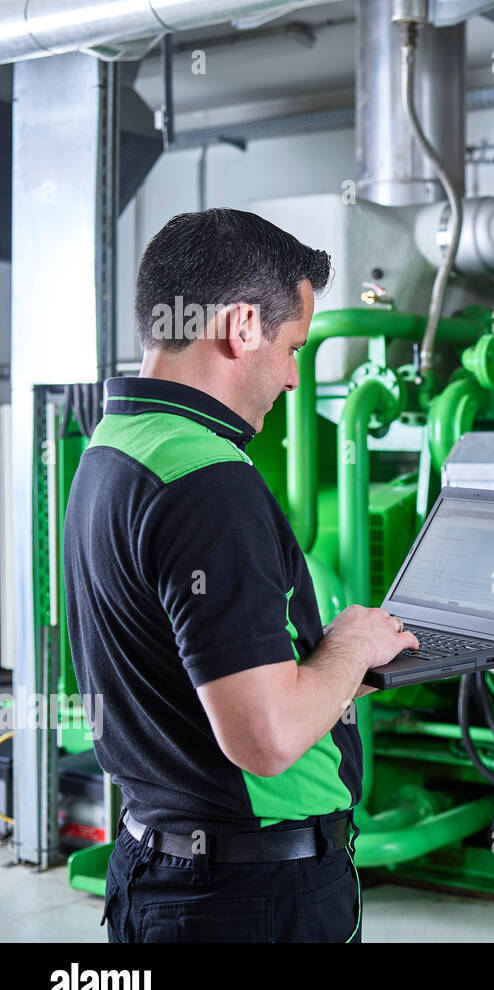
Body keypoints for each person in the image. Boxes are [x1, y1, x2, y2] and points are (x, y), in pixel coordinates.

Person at [63, 209, 418, 942]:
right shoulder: (206, 480)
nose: (293, 376)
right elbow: (265, 736)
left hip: (162, 864)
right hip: (246, 897)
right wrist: (352, 644)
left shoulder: (115, 445)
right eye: (293, 348)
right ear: (241, 326)